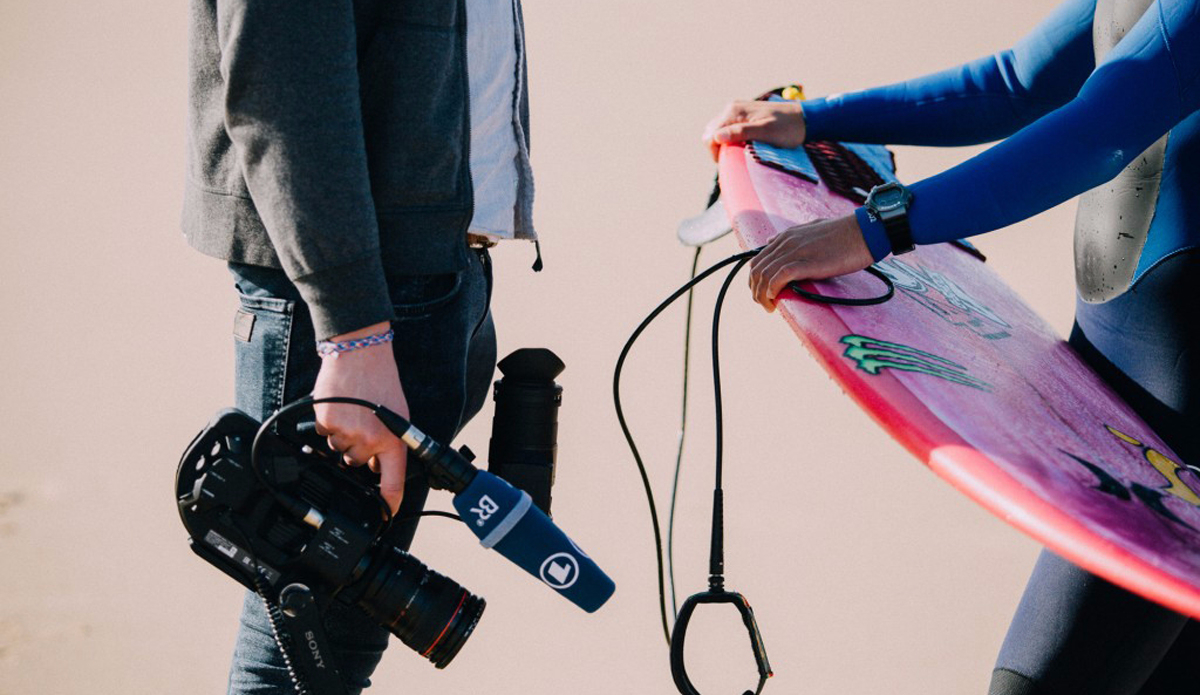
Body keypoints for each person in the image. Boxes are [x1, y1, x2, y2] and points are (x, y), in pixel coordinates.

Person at [703, 0, 1200, 692]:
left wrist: (874, 228)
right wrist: (820, 120)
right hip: (1125, 388)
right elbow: (1015, 81)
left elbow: (1104, 129)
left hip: (1180, 416)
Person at [182, 0, 537, 691]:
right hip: (358, 294)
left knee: (329, 634)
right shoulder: (356, 313)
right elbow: (280, 74)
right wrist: (352, 326)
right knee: (304, 644)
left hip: (420, 271)